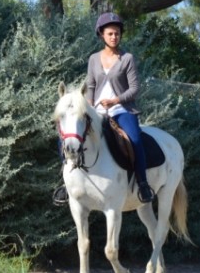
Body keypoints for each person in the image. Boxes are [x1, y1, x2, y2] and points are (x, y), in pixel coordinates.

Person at [54, 12, 157, 206]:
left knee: (135, 140)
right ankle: (65, 184)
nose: (114, 37)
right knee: (66, 137)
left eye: (117, 33)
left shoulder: (127, 58)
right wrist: (90, 105)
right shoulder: (94, 59)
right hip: (97, 111)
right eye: (110, 33)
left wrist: (115, 100)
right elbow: (90, 85)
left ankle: (143, 184)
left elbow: (134, 89)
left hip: (122, 110)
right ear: (102, 34)